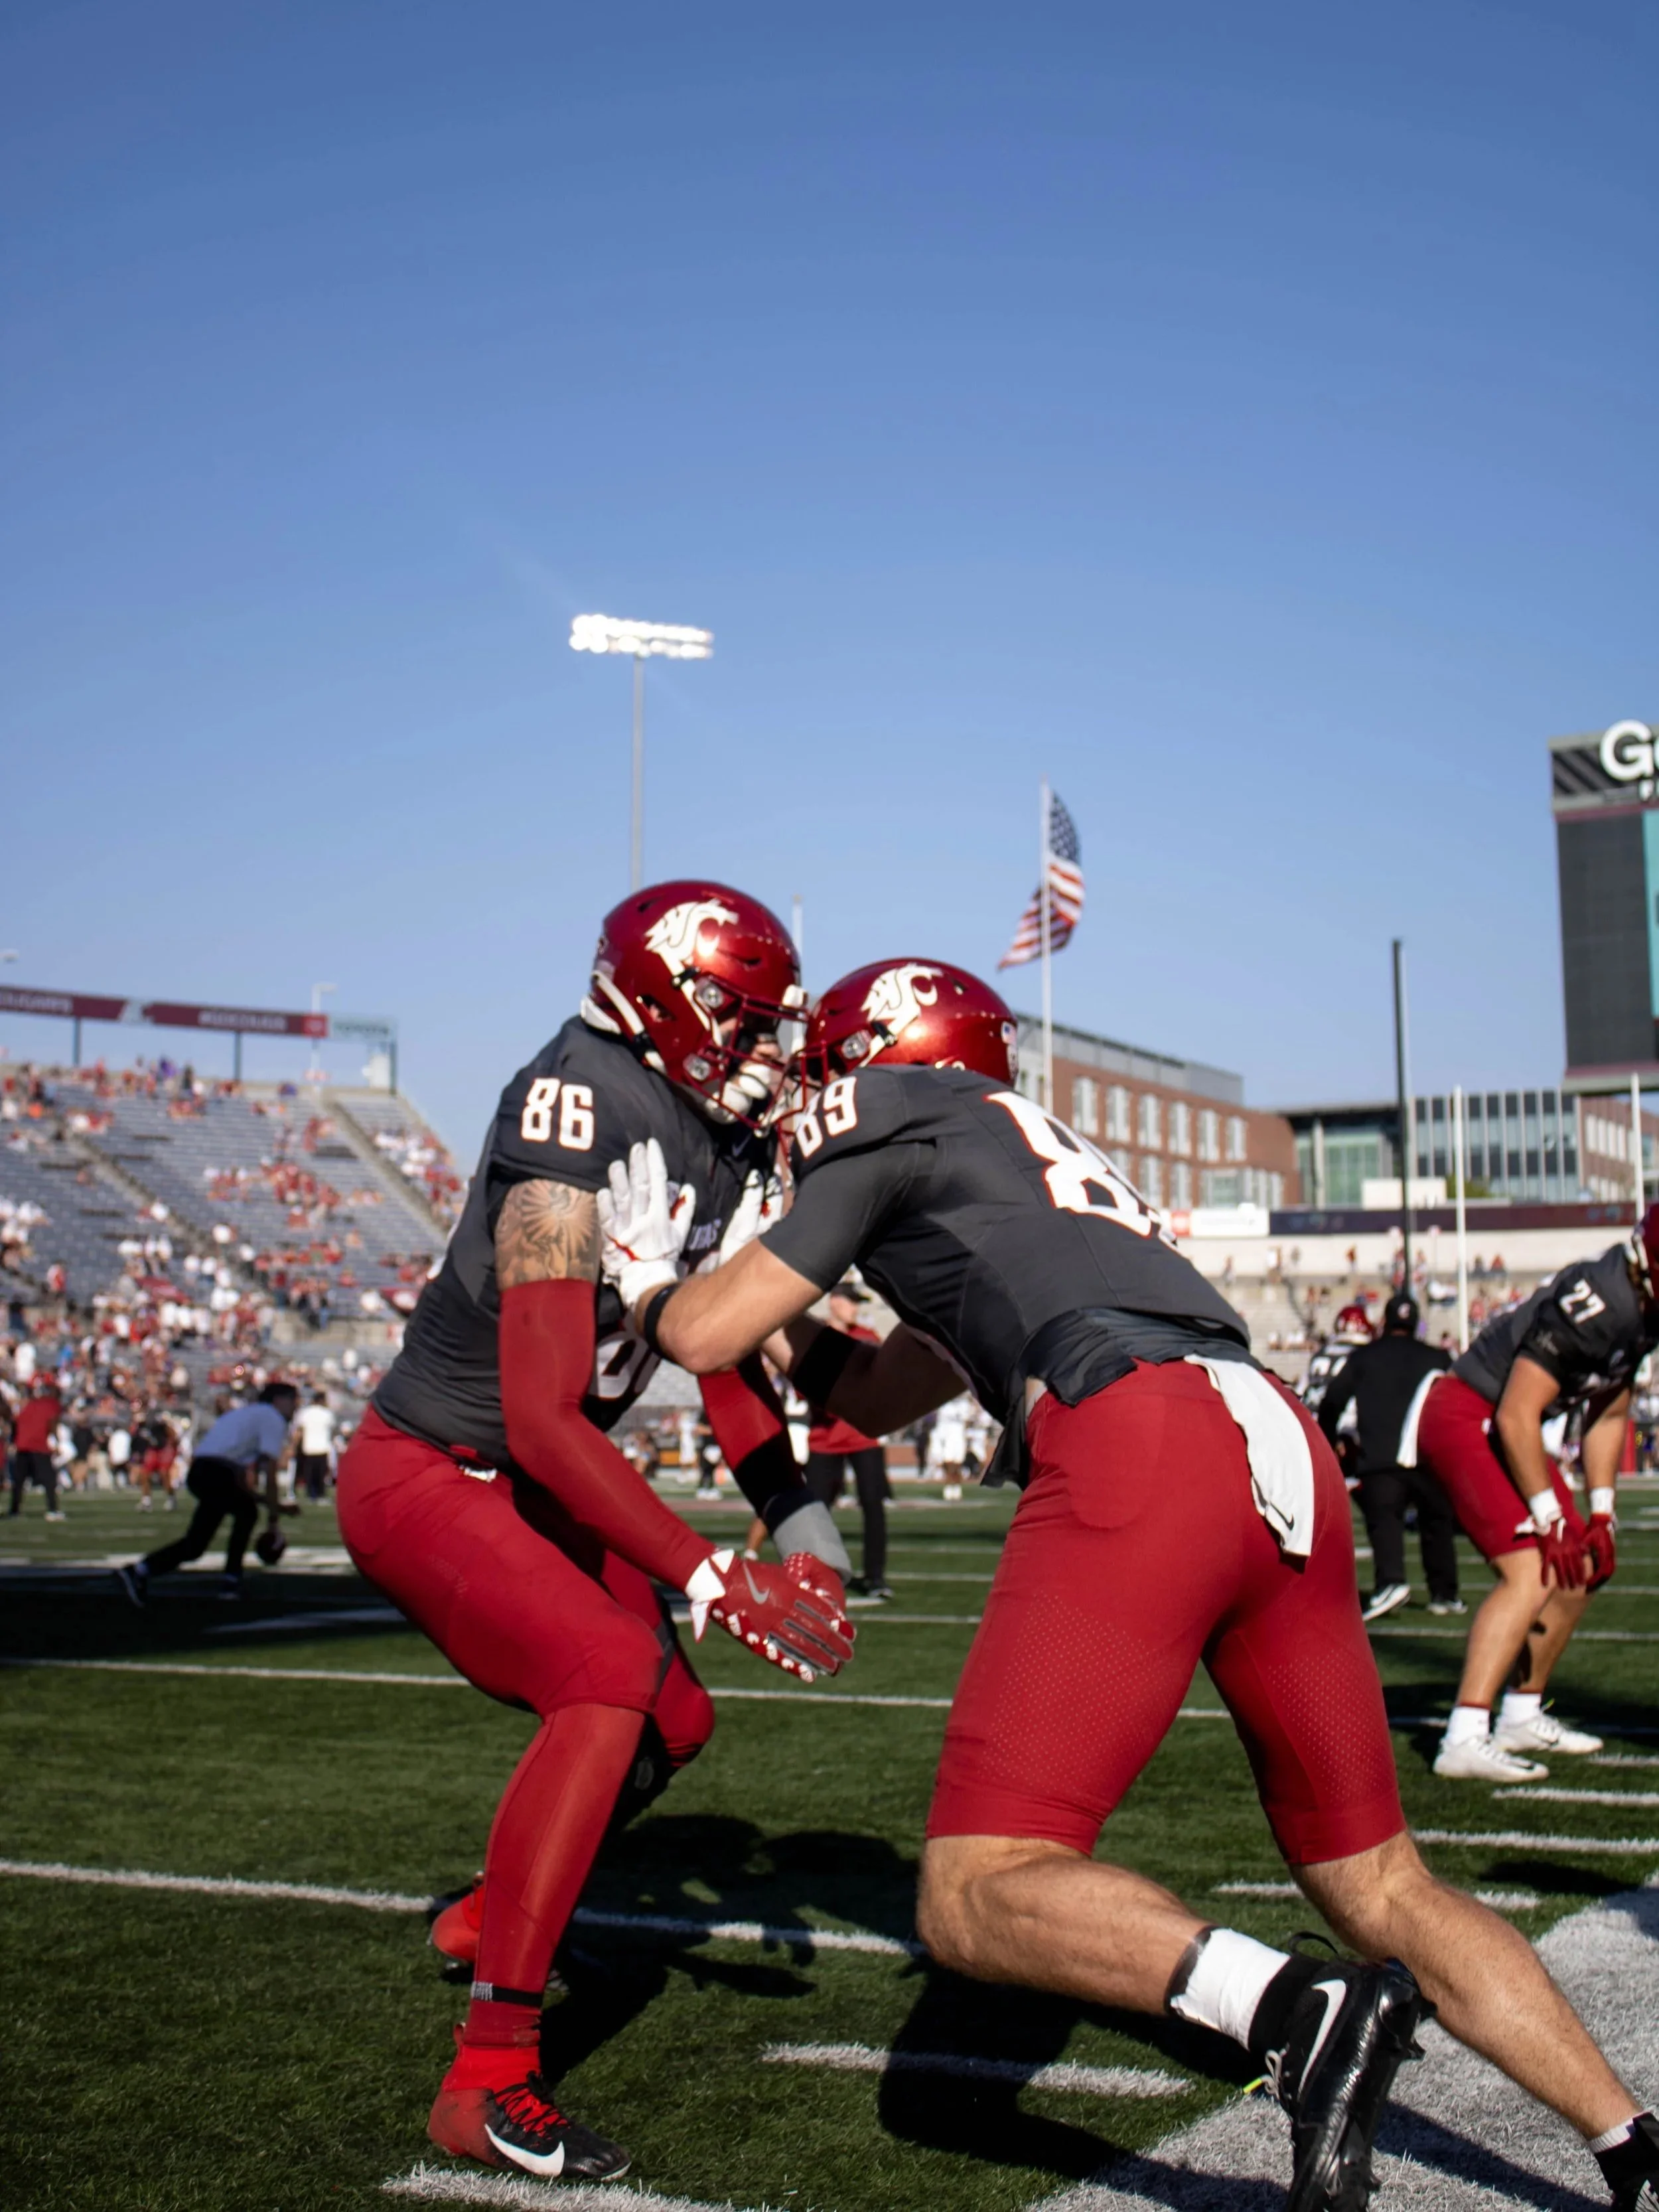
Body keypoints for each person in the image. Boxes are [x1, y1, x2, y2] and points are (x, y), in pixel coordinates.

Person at [599, 954, 1659, 2212]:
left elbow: (701, 1333)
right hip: (1274, 1440)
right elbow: (876, 1394)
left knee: (975, 1885)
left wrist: (652, 1278)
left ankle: (1293, 2007)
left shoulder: (891, 1110)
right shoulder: (1018, 1161)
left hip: (1145, 1437)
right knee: (1382, 1882)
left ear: (875, 1052)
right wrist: (784, 1314)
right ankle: (1633, 2145)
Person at [332, 882, 855, 2182]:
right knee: (611, 1674)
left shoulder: (714, 1137)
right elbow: (543, 1411)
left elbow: (712, 1349)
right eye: (736, 1017)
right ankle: (490, 2073)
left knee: (675, 1720)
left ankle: (482, 1919)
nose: (756, 1049)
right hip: (435, 1468)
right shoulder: (567, 1106)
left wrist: (788, 1504)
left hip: (529, 1473)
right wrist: (710, 1569)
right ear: (662, 994)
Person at [1416, 1221, 1659, 1783]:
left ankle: (1521, 1713)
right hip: (1465, 1414)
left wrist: (1601, 1511)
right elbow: (1515, 1414)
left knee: (1585, 1563)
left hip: (1502, 1421)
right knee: (1532, 1569)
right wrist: (1550, 1517)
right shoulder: (1603, 1301)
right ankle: (1464, 1735)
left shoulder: (1642, 1310)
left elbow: (1610, 1407)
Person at [1315, 1293, 1458, 1623]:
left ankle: (1391, 1582)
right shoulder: (1437, 1356)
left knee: (1385, 1524)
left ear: (1386, 1321)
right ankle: (1444, 1594)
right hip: (1426, 1456)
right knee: (1437, 1524)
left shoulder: (1366, 1356)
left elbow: (1334, 1399)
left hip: (1379, 1456)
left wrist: (1329, 1438)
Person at [116, 1381, 299, 1601]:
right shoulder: (272, 1418)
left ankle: (139, 1571)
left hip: (204, 1471)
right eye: (293, 1400)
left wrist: (272, 1504)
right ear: (279, 1400)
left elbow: (239, 1483)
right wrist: (273, 1520)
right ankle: (231, 1581)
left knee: (197, 1544)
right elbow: (269, 1473)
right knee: (246, 1513)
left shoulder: (246, 1415)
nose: (296, 1406)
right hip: (216, 1472)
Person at [802, 1280, 891, 1599]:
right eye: (851, 1301)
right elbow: (804, 1390)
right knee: (814, 1510)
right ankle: (814, 1574)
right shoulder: (817, 1340)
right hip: (825, 1439)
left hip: (863, 1437)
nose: (855, 1308)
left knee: (873, 1506)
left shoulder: (868, 1338)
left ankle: (876, 1577)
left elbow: (882, 1384)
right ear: (835, 1302)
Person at [1299, 1301, 1374, 1419]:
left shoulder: (1320, 1354)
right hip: (1346, 1419)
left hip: (1313, 1418)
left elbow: (1301, 1390)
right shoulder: (1363, 1355)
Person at [8, 1374, 65, 1520]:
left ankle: (14, 1511)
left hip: (23, 1445)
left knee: (19, 1481)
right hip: (39, 1446)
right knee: (49, 1480)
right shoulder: (52, 1404)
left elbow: (15, 1422)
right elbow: (52, 1423)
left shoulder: (27, 1404)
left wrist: (15, 1440)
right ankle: (52, 1510)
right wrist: (55, 1441)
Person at [294, 1389, 334, 1501]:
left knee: (310, 1473)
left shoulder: (305, 1413)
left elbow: (299, 1430)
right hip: (323, 1447)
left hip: (309, 1447)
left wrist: (295, 1445)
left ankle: (311, 1493)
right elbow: (332, 1430)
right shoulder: (327, 1413)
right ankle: (320, 1494)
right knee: (321, 1473)